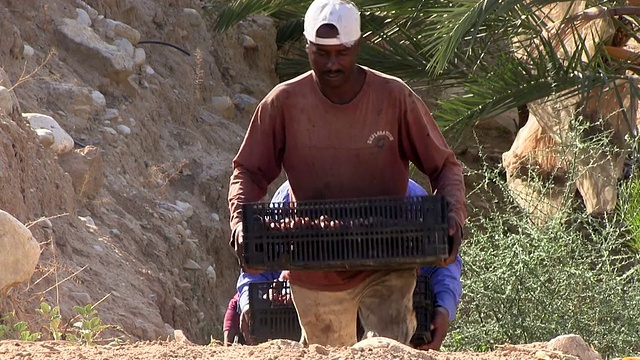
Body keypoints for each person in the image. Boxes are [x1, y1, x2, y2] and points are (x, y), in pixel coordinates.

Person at [227, 0, 466, 347]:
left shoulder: (394, 97)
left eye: (342, 52)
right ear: (307, 48)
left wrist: (452, 217)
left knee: (386, 347)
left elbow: (444, 166)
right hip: (313, 266)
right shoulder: (284, 103)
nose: (332, 63)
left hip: (389, 258)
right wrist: (240, 224)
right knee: (326, 350)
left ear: (358, 47)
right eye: (321, 53)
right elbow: (248, 171)